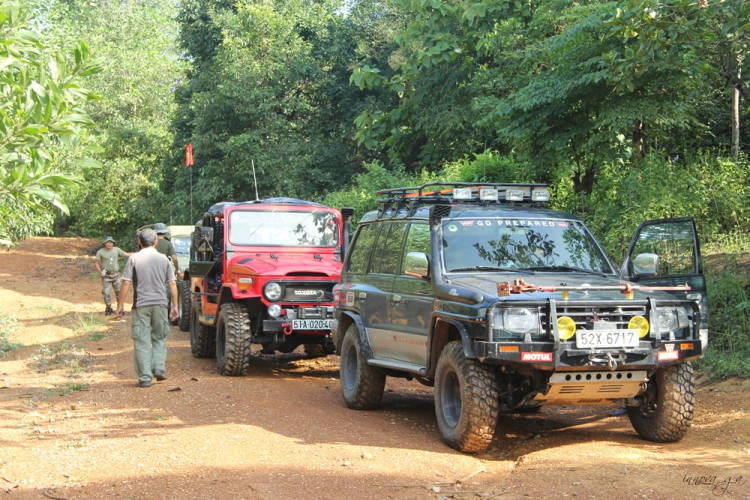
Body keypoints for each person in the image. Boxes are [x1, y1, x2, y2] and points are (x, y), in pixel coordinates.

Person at [116, 229, 179, 388]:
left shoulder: (134, 258)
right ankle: (158, 367)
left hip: (141, 305)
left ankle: (144, 378)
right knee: (159, 337)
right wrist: (175, 306)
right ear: (155, 242)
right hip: (160, 304)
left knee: (142, 340)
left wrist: (120, 304)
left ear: (139, 242)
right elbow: (172, 283)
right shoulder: (164, 259)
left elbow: (126, 282)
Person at [94, 237, 133, 316]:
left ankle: (120, 307)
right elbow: (96, 263)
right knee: (106, 292)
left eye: (111, 242)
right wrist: (100, 272)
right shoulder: (100, 252)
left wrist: (140, 253)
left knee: (119, 291)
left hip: (116, 274)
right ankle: (108, 307)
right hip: (106, 275)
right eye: (107, 242)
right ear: (104, 243)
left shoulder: (116, 250)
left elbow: (127, 254)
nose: (109, 244)